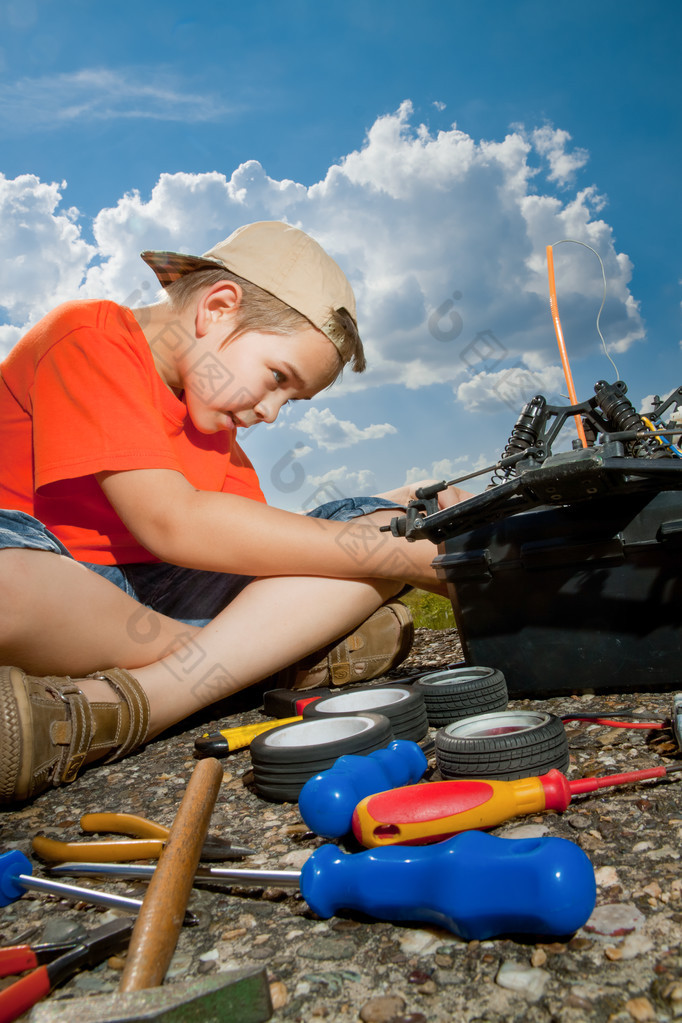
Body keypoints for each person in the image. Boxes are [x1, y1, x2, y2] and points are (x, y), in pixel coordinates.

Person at [0, 221, 470, 805]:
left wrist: (397, 516)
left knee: (371, 526)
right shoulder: (88, 335)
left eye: (289, 401)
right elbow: (172, 521)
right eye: (277, 378)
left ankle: (168, 687)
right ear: (219, 309)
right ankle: (258, 661)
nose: (272, 412)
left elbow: (269, 563)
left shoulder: (215, 427)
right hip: (52, 577)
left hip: (143, 605)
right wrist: (397, 554)